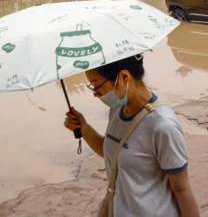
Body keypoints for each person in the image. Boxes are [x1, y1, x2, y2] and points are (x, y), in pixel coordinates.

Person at [64, 54, 200, 217]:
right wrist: (83, 127)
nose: (95, 94)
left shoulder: (163, 125)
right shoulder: (117, 109)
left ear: (123, 77)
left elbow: (181, 188)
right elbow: (111, 152)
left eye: (96, 86)